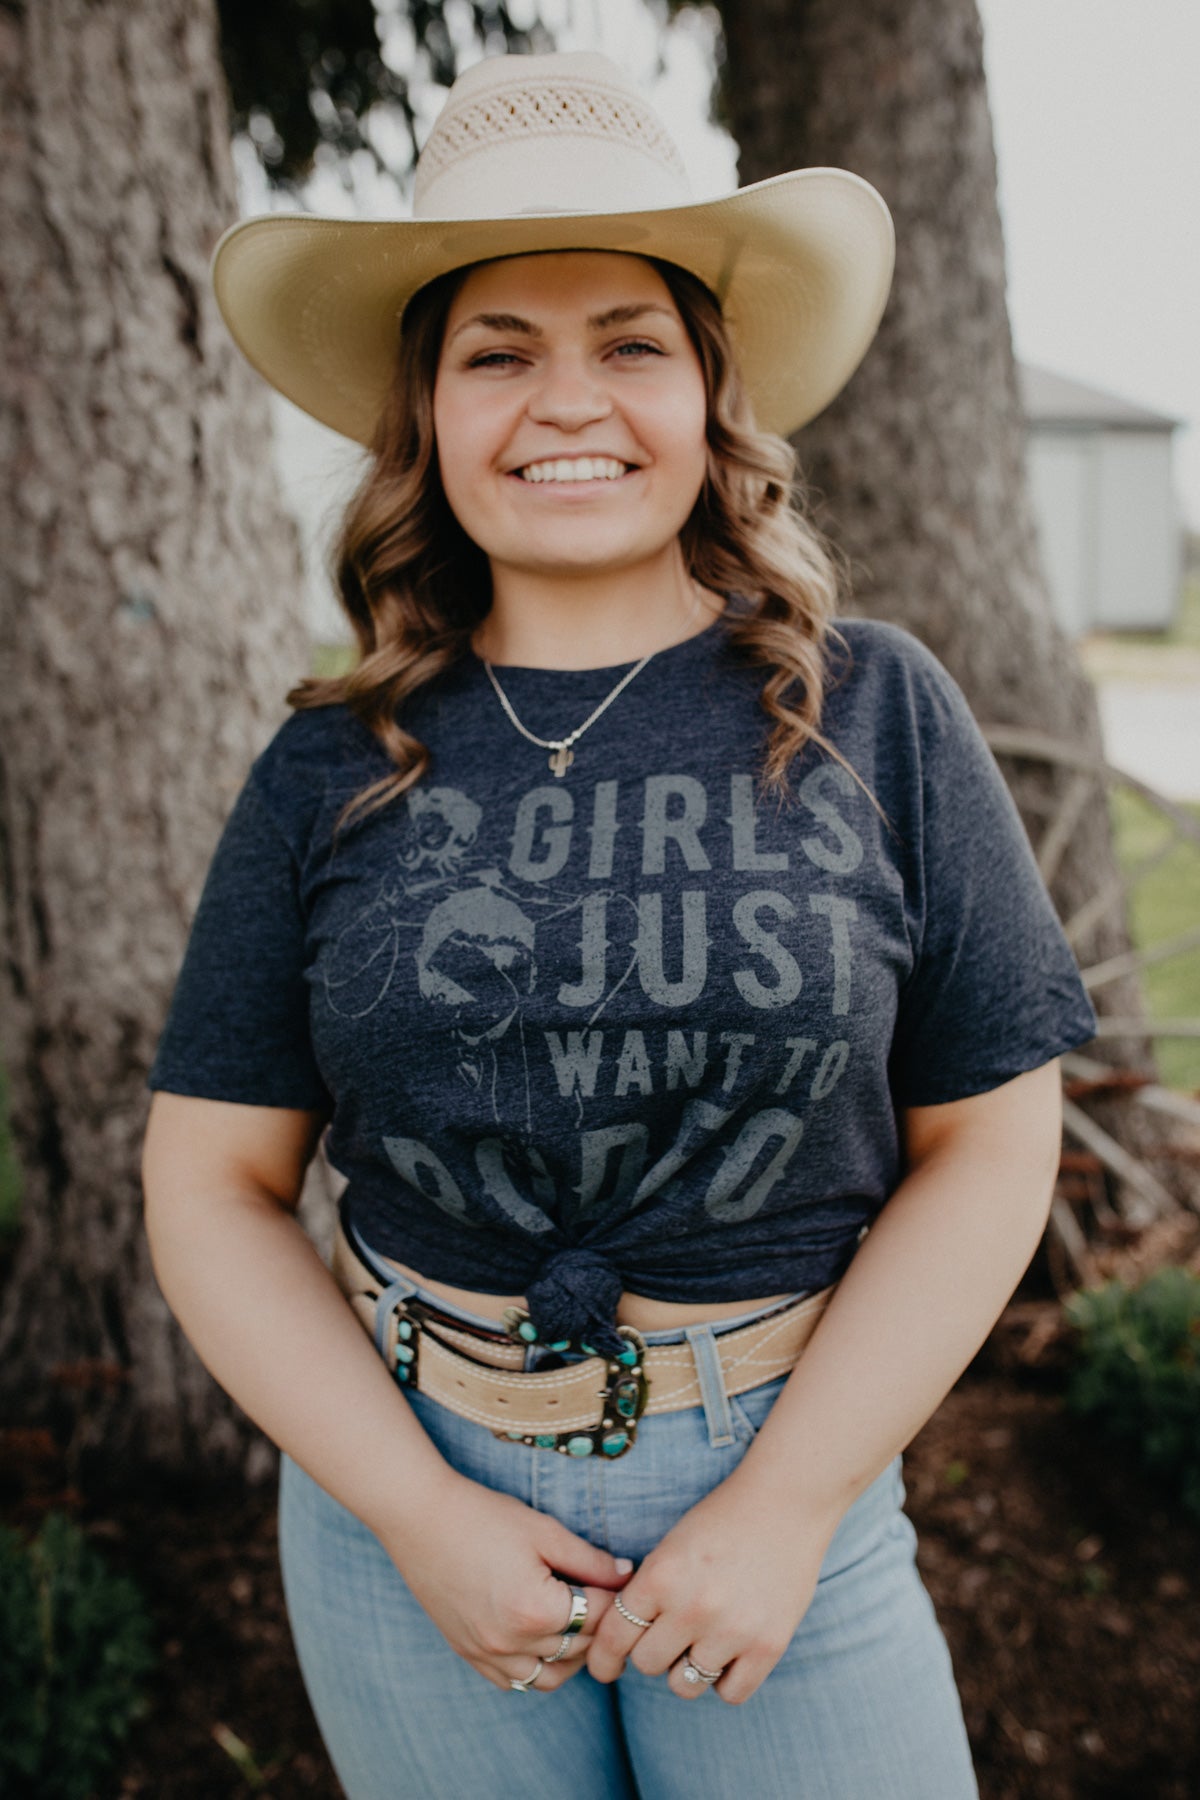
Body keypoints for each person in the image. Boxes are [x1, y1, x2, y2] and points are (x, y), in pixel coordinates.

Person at [141, 49, 1097, 1800]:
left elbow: (989, 1139)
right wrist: (421, 1512)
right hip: (407, 1500)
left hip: (778, 1480)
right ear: (427, 414)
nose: (564, 400)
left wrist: (789, 1504)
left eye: (628, 344)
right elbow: (210, 1184)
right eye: (498, 353)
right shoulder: (328, 767)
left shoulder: (870, 709)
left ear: (711, 395)